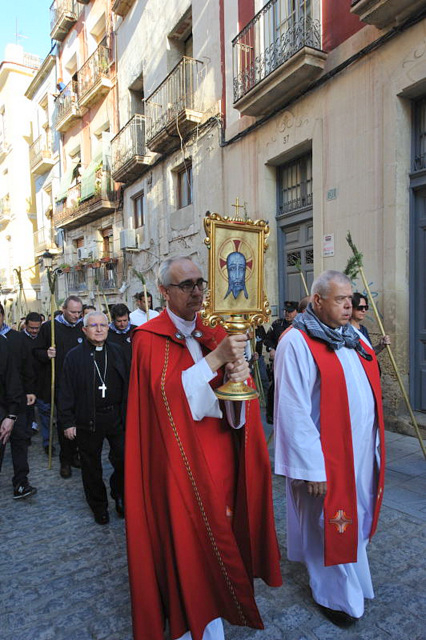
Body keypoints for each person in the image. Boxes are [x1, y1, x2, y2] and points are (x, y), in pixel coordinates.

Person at [125, 255, 282, 640]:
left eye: (200, 283)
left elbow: (232, 403)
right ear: (163, 291)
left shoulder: (213, 333)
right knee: (189, 547)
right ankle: (189, 618)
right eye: (186, 285)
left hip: (220, 460)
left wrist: (238, 384)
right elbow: (168, 400)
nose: (197, 291)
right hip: (178, 464)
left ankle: (216, 609)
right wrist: (218, 359)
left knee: (220, 539)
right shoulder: (148, 339)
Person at [274, 270, 385, 626]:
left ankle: (355, 581)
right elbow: (293, 409)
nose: (349, 305)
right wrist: (311, 469)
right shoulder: (297, 342)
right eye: (341, 299)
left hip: (360, 454)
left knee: (356, 519)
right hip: (326, 461)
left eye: (351, 298)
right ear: (318, 301)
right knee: (329, 525)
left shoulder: (352, 335)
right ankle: (333, 596)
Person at [59, 312, 128, 525]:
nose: (99, 329)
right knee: (91, 466)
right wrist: (68, 422)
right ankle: (99, 506)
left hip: (115, 416)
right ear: (84, 329)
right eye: (93, 326)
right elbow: (66, 391)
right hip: (88, 418)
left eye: (103, 325)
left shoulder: (118, 352)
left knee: (123, 459)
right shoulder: (74, 356)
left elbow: (128, 385)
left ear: (108, 328)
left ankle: (119, 495)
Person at [35, 295, 84, 478]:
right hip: (60, 384)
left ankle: (75, 454)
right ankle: (65, 460)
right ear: (63, 309)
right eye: (73, 312)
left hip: (79, 384)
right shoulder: (50, 328)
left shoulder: (82, 327)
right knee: (65, 423)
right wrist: (46, 354)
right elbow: (36, 352)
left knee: (80, 421)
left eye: (79, 312)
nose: (76, 315)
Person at [0, 304, 37, 499]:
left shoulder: (17, 338)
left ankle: (21, 482)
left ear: (2, 316)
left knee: (20, 441)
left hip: (17, 397)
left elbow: (27, 365)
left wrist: (30, 390)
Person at [264, 300, 299, 423]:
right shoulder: (277, 324)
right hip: (279, 361)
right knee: (275, 386)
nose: (287, 314)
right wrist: (271, 349)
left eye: (290, 312)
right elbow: (267, 340)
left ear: (296, 312)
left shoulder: (299, 326)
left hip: (294, 362)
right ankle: (271, 414)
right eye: (286, 311)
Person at [22, 312, 52, 450]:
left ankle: (47, 442)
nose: (34, 331)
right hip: (25, 384)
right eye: (31, 328)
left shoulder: (44, 337)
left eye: (37, 328)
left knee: (45, 414)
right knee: (26, 414)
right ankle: (25, 436)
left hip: (42, 383)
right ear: (25, 325)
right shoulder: (19, 339)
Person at [107, 303, 136, 369]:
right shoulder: (106, 332)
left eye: (125, 320)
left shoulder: (135, 331)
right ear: (113, 319)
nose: (122, 324)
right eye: (119, 321)